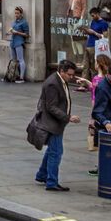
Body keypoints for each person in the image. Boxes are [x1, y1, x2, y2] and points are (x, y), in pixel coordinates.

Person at [35, 59, 83, 192]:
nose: (71, 77)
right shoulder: (52, 83)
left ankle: (42, 174)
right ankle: (51, 182)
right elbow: (51, 107)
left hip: (56, 123)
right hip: (52, 123)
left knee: (52, 150)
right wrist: (68, 118)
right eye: (69, 74)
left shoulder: (60, 80)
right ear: (61, 71)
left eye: (73, 74)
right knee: (56, 152)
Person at [83, 7, 109, 80]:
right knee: (85, 65)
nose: (92, 17)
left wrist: (94, 32)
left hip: (96, 45)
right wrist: (86, 31)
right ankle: (83, 84)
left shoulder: (103, 23)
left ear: (98, 14)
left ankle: (94, 81)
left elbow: (104, 36)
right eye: (91, 16)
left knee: (93, 66)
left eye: (93, 15)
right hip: (89, 44)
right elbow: (91, 32)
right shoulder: (93, 21)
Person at [8, 6, 30, 83]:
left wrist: (17, 32)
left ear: (21, 13)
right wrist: (10, 32)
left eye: (17, 13)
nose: (16, 15)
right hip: (13, 42)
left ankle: (21, 77)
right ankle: (13, 75)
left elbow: (27, 34)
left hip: (19, 42)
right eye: (15, 13)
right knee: (14, 60)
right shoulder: (15, 21)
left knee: (21, 59)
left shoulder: (24, 22)